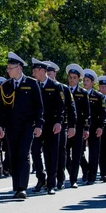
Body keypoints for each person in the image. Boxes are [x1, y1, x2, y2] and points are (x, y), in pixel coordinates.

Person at [0, 52, 44, 199]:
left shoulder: (31, 83)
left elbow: (39, 107)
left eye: (10, 68)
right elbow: (0, 108)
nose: (8, 70)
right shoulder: (6, 86)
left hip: (27, 126)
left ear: (19, 68)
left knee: (23, 155)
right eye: (8, 68)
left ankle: (22, 188)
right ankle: (17, 187)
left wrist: (39, 124)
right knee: (14, 157)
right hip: (11, 127)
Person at [30, 58, 64, 195]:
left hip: (51, 126)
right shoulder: (34, 86)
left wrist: (58, 122)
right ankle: (40, 178)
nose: (33, 73)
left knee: (51, 155)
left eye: (35, 70)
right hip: (38, 126)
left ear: (42, 71)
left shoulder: (56, 86)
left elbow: (61, 107)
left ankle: (51, 184)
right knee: (35, 151)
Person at [44, 62, 77, 190]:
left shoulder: (63, 88)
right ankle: (48, 178)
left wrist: (72, 125)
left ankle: (60, 179)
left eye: (50, 73)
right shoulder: (41, 86)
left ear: (55, 73)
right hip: (47, 126)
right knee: (47, 152)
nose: (48, 75)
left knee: (60, 152)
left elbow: (71, 108)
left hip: (61, 125)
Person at [65, 64, 90, 188]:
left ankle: (73, 179)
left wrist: (86, 128)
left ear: (78, 79)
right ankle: (69, 174)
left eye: (74, 77)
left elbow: (86, 112)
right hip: (66, 127)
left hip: (79, 128)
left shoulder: (83, 93)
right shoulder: (64, 90)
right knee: (64, 154)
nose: (72, 80)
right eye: (70, 77)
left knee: (77, 155)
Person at [80, 69, 106, 185]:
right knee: (79, 152)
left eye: (87, 81)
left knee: (94, 153)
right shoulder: (79, 93)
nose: (85, 83)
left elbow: (103, 113)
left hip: (95, 128)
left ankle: (92, 177)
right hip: (82, 127)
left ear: (92, 83)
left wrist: (101, 127)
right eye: (84, 80)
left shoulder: (98, 96)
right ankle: (85, 169)